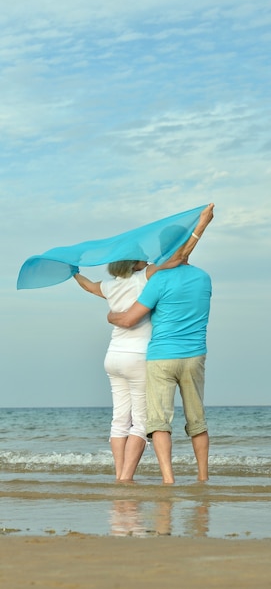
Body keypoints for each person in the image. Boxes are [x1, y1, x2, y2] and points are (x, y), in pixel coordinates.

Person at [73, 204, 214, 482]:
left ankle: (135, 477)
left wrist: (72, 271)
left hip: (128, 357)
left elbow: (91, 288)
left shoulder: (125, 284)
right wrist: (201, 225)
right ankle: (139, 478)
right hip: (163, 355)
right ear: (137, 262)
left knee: (127, 420)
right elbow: (182, 256)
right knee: (160, 421)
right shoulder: (168, 277)